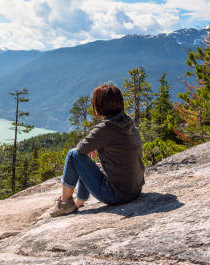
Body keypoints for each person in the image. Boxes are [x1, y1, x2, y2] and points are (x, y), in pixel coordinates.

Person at [50, 84, 145, 217]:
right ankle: (79, 202)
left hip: (117, 195)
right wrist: (96, 145)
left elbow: (80, 150)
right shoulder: (127, 121)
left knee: (73, 155)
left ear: (99, 105)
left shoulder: (106, 127)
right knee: (89, 164)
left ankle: (65, 203)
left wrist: (95, 145)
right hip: (136, 190)